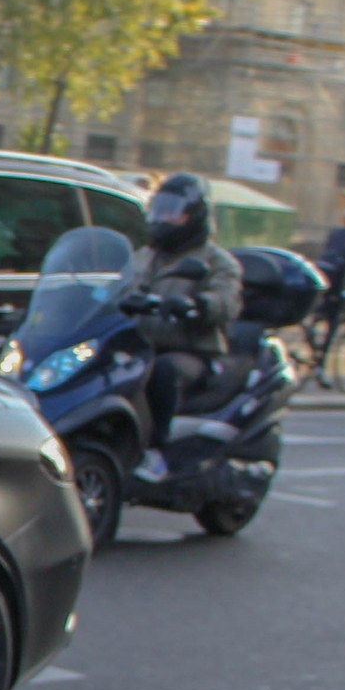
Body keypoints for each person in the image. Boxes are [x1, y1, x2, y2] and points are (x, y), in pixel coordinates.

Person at [119, 172, 243, 480]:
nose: (162, 218)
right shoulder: (144, 256)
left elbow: (227, 300)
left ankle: (156, 451)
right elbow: (118, 284)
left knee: (163, 372)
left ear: (194, 214)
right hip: (141, 344)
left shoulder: (217, 261)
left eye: (172, 211)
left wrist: (199, 305)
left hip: (190, 350)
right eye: (159, 209)